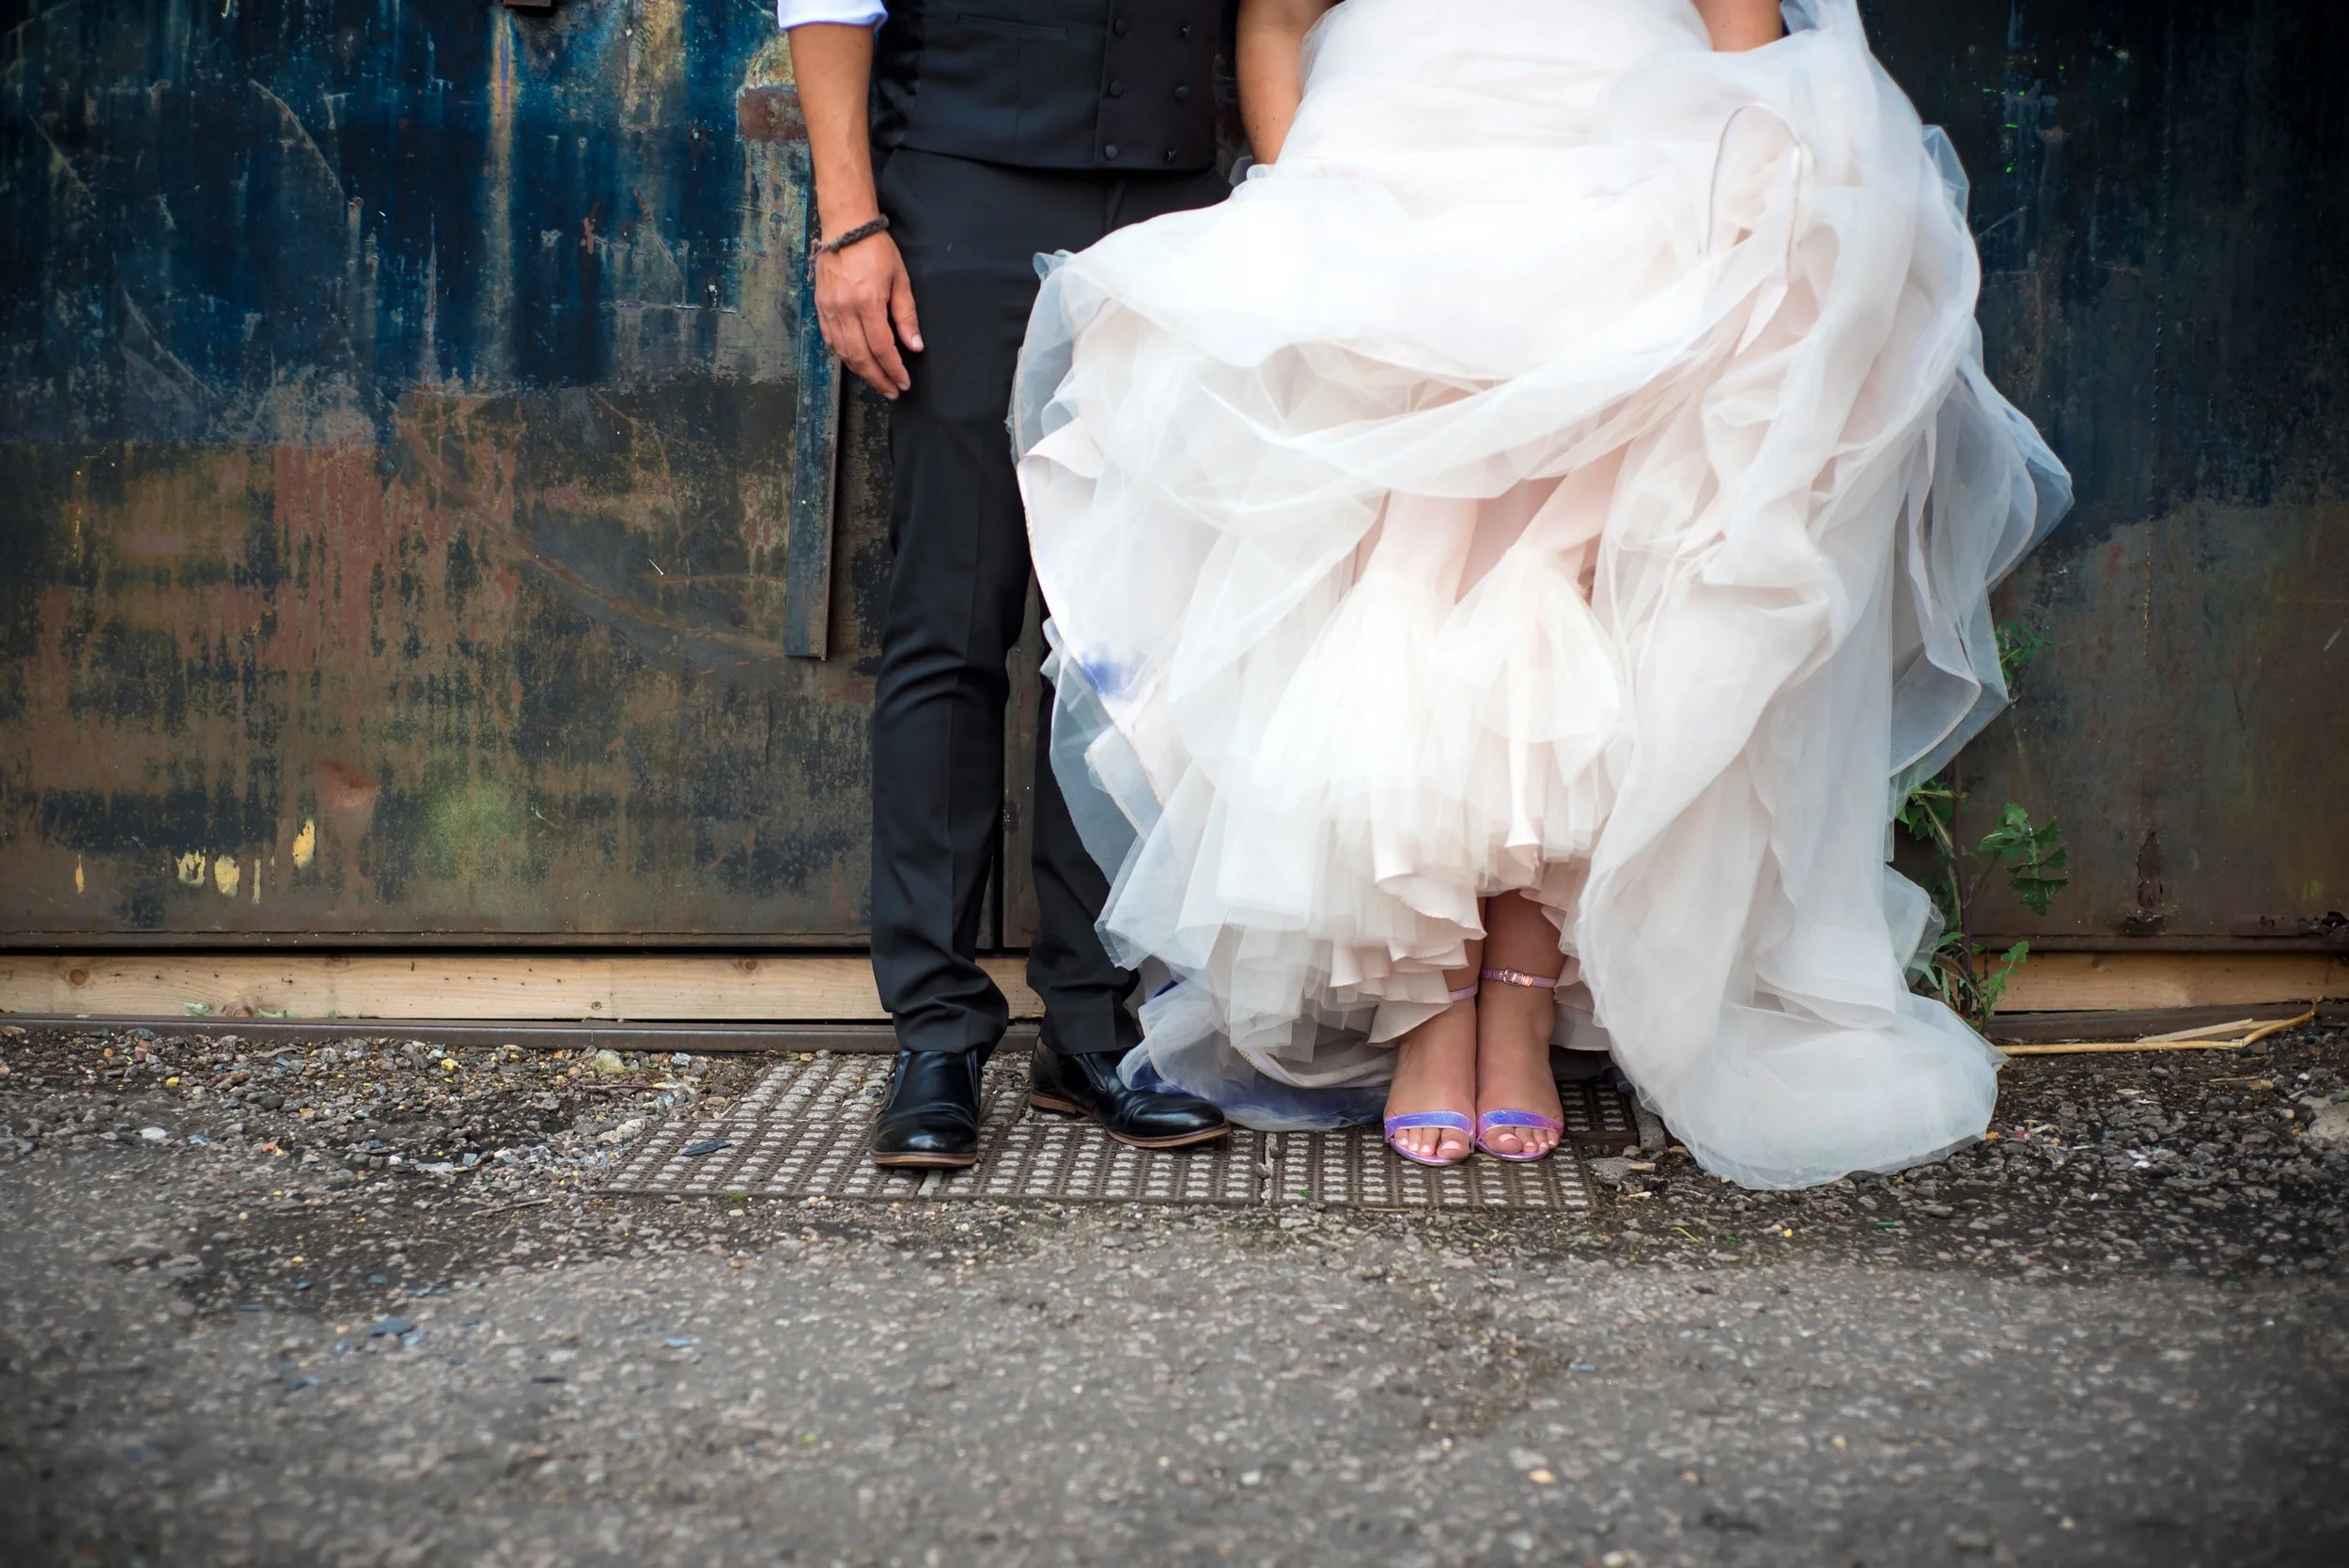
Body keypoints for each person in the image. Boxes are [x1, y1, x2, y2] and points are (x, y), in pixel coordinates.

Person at [1011, 0, 2072, 1188]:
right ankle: (1425, 1005)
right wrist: (1296, 195)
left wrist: (1754, 209)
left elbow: (1746, 29)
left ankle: (1514, 1002)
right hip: (1395, 191)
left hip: (1624, 201)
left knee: (1570, 589)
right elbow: (1274, 19)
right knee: (1402, 578)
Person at [784, 2, 1237, 1167]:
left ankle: (1090, 1027)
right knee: (952, 614)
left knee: (1117, 635)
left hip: (1172, 204)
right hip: (962, 198)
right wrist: (848, 224)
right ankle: (935, 1034)